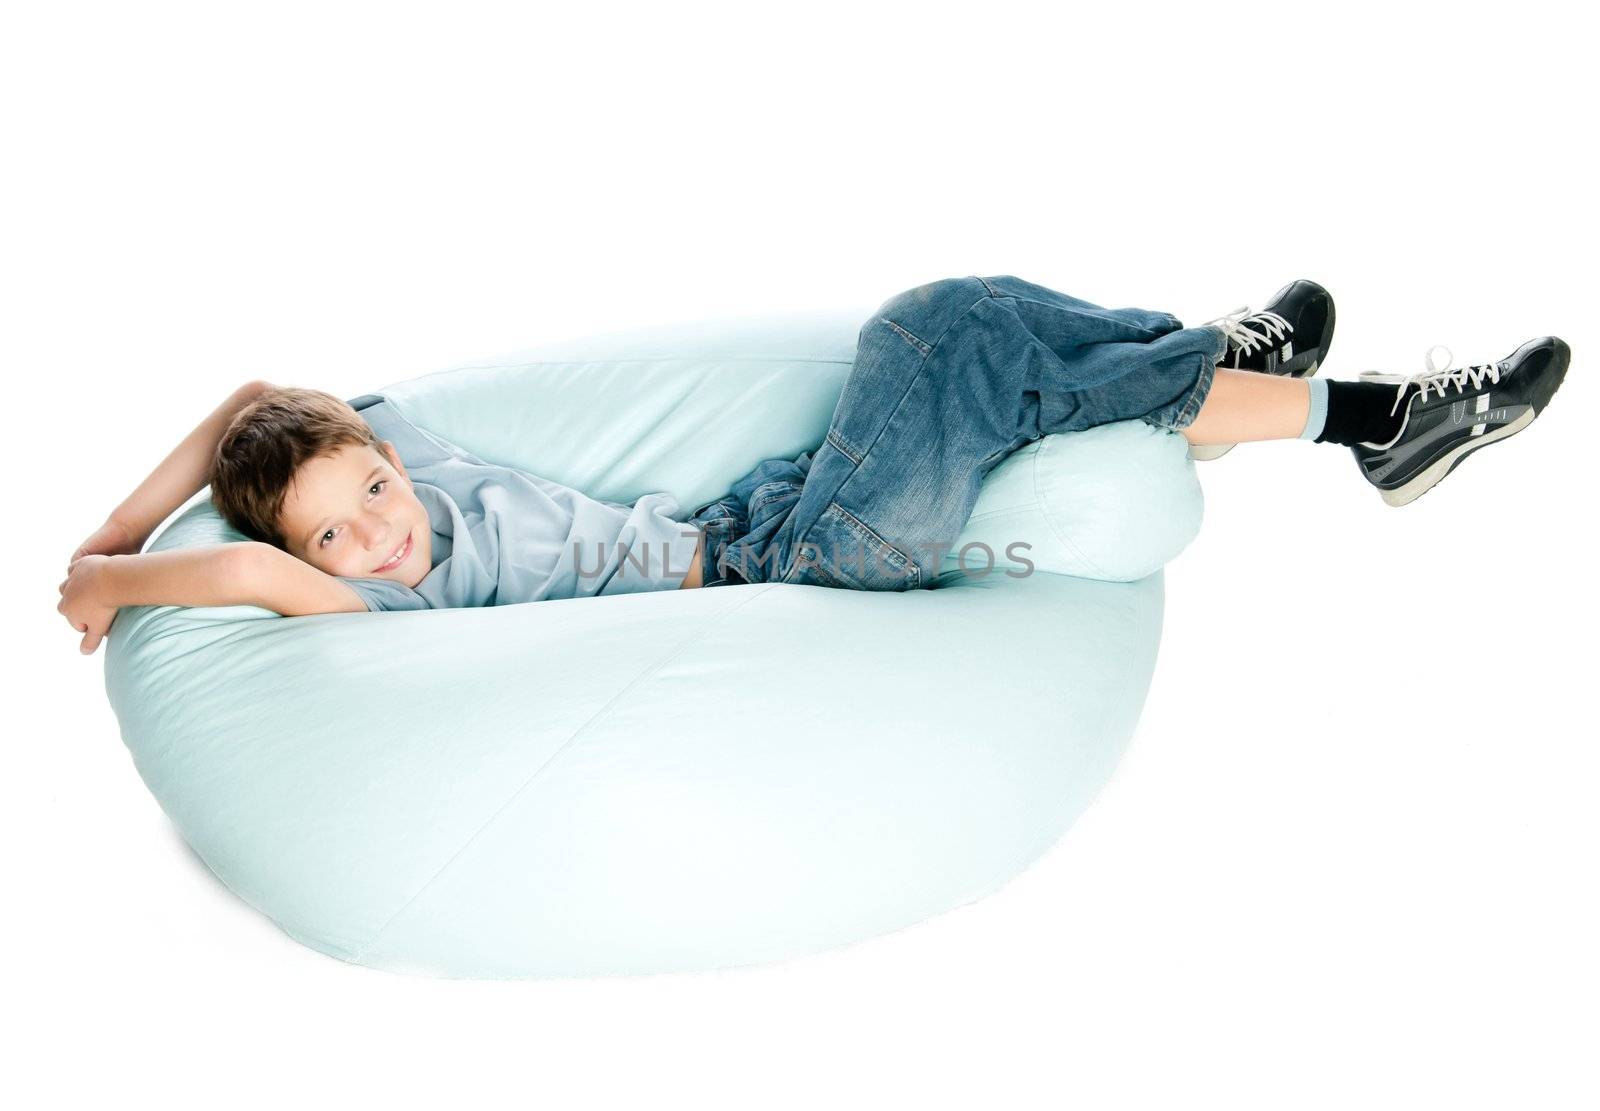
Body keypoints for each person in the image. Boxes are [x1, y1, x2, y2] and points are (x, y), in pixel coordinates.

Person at [58, 275, 1571, 653]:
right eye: (339, 538)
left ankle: (1223, 354)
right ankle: (1370, 416)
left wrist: (113, 502)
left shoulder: (402, 457)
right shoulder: (391, 612)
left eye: (368, 496)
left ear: (381, 454)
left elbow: (256, 394)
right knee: (939, 332)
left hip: (761, 515)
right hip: (796, 566)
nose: (379, 533)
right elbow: (244, 559)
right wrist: (109, 574)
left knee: (963, 325)